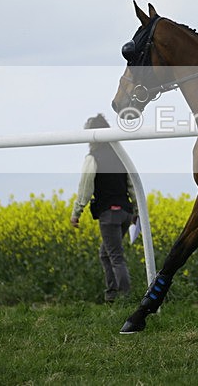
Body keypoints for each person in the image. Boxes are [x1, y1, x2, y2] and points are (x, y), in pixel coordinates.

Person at [70, 114, 138, 303]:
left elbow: (85, 187)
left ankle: (124, 298)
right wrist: (136, 212)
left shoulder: (93, 158)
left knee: (115, 256)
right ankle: (112, 294)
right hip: (125, 212)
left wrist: (77, 212)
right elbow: (132, 185)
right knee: (105, 253)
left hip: (109, 213)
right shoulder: (121, 156)